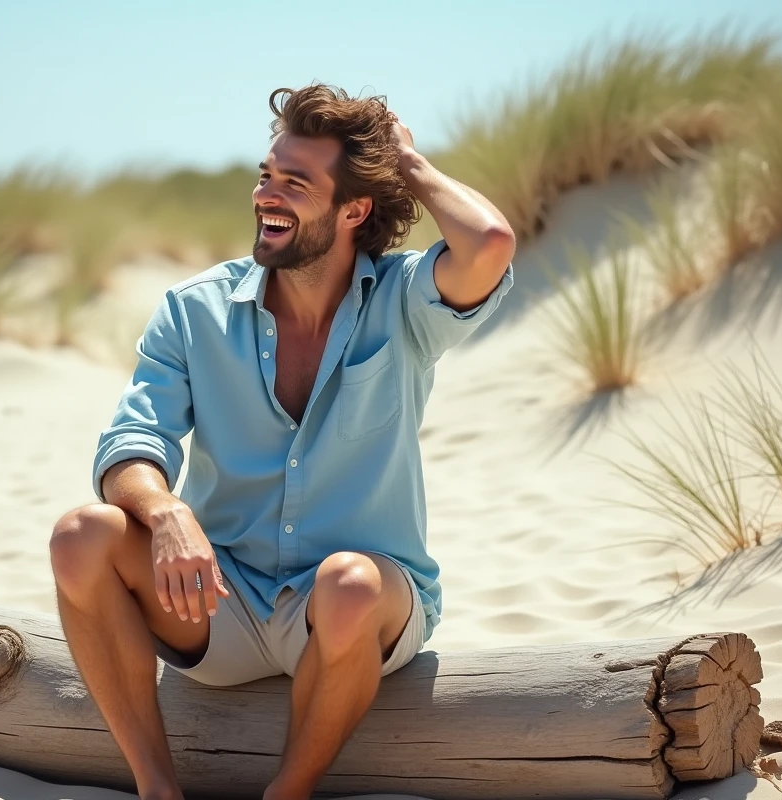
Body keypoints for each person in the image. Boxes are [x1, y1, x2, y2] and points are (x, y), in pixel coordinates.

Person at [49, 83, 515, 800]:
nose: (267, 194)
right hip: (218, 600)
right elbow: (132, 442)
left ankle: (288, 792)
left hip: (356, 610)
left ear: (353, 209)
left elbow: (489, 244)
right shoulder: (195, 311)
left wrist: (407, 163)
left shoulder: (405, 301)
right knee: (81, 535)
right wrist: (167, 513)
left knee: (348, 585)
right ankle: (156, 788)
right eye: (266, 174)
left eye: (296, 183)